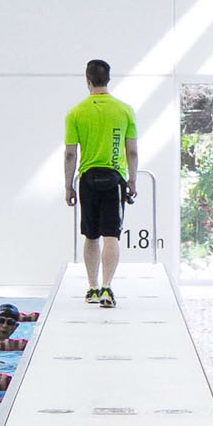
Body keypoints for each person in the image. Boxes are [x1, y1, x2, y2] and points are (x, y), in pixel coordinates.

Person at [62, 57, 137, 306]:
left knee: (91, 236)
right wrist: (132, 182)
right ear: (108, 79)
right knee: (111, 236)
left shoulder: (75, 112)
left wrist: (68, 185)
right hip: (114, 179)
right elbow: (132, 152)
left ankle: (92, 288)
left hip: (88, 179)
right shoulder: (124, 110)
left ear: (87, 80)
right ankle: (107, 288)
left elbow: (71, 153)